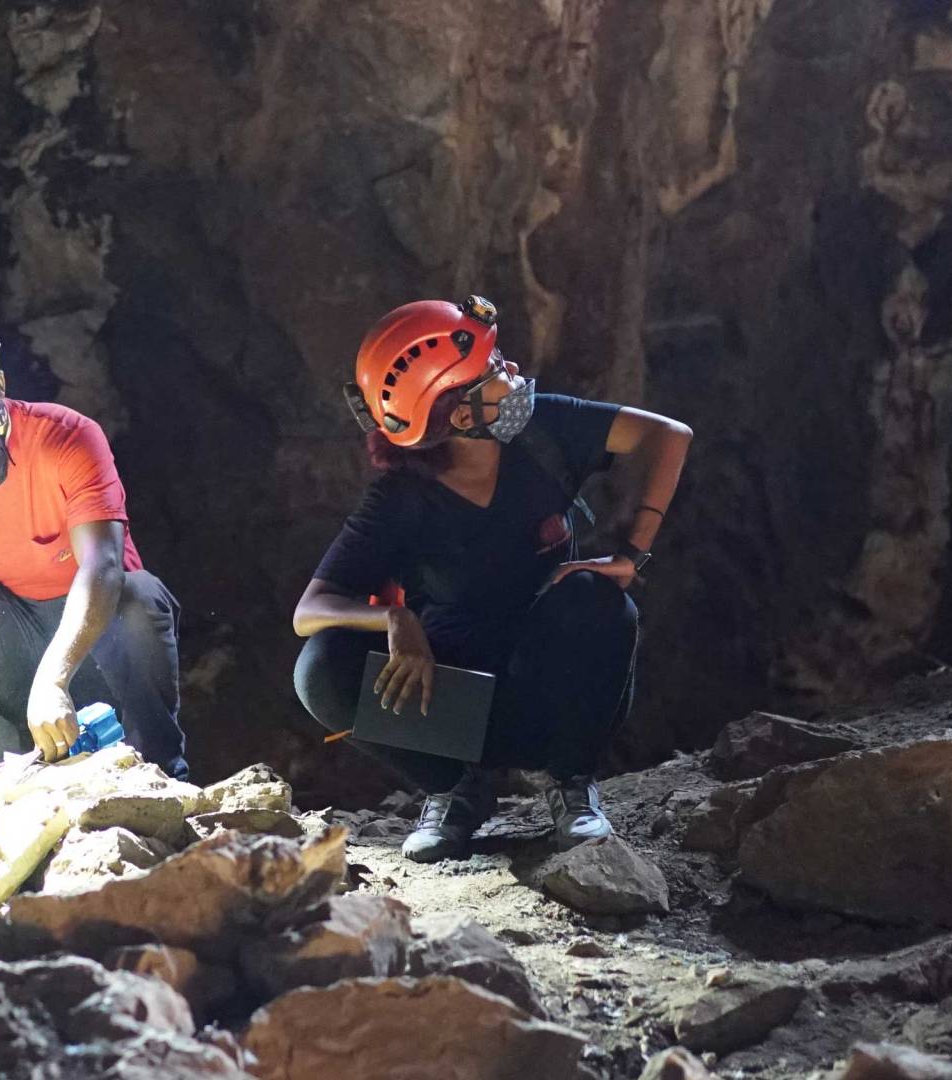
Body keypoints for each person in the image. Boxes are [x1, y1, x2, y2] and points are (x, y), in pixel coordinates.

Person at [292, 295, 691, 862]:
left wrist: (632, 553)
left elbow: (668, 436)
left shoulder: (548, 431)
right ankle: (456, 788)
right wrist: (396, 619)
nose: (512, 371)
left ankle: (570, 783)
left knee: (597, 600)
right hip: (456, 697)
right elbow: (310, 611)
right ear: (459, 415)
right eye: (493, 369)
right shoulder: (402, 500)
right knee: (322, 668)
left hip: (551, 689)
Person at [0, 296, 189, 780]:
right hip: (9, 658)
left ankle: (157, 775)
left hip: (96, 654)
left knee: (138, 595)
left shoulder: (66, 438)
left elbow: (103, 566)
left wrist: (55, 676)